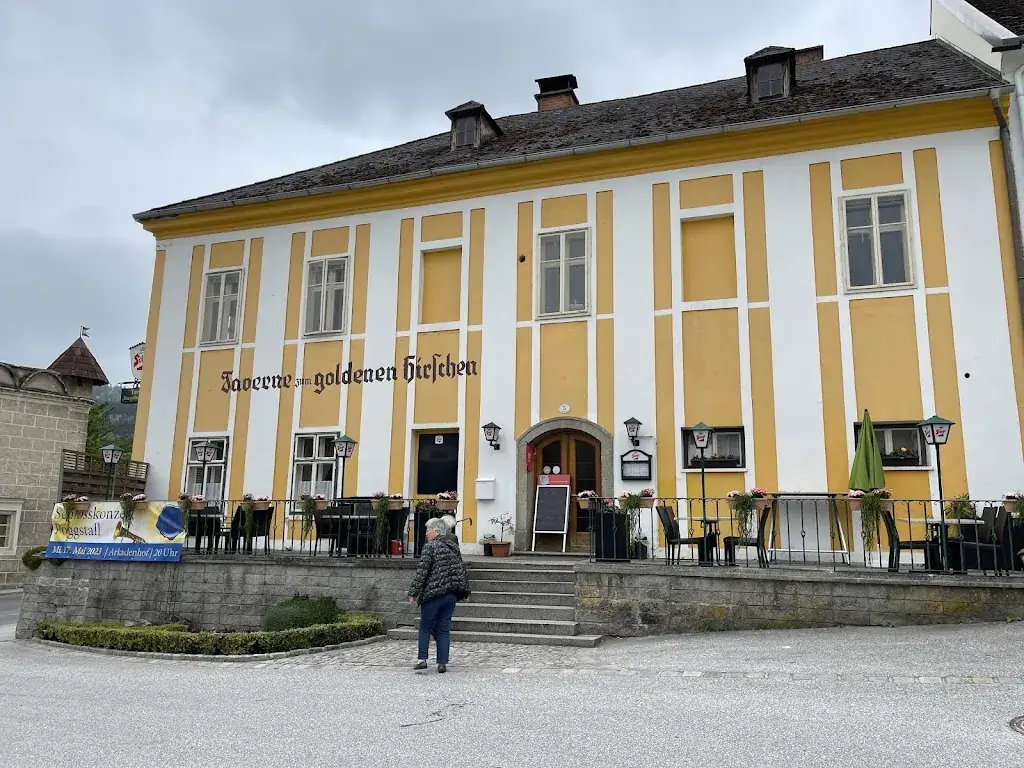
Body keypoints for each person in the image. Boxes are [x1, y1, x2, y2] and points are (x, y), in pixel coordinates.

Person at [408, 517, 469, 673]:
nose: (426, 533)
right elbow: (460, 570)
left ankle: (422, 659)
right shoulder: (453, 547)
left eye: (428, 530)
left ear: (436, 531)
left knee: (425, 627)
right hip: (450, 595)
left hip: (433, 594)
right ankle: (442, 663)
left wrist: (413, 592)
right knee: (443, 629)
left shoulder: (430, 547)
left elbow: (422, 572)